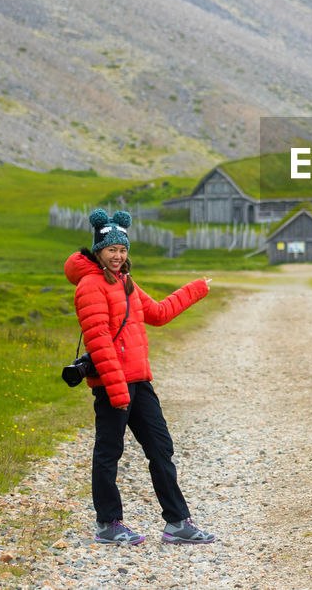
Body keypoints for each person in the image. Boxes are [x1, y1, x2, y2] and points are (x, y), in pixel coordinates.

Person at [64, 208, 217, 545]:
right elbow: (99, 341)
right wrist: (118, 392)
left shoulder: (125, 282)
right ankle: (108, 524)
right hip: (111, 385)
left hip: (139, 382)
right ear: (98, 250)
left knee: (161, 449)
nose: (118, 256)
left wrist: (195, 289)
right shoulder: (90, 286)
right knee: (109, 453)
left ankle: (177, 523)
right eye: (111, 250)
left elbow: (159, 313)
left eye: (122, 250)